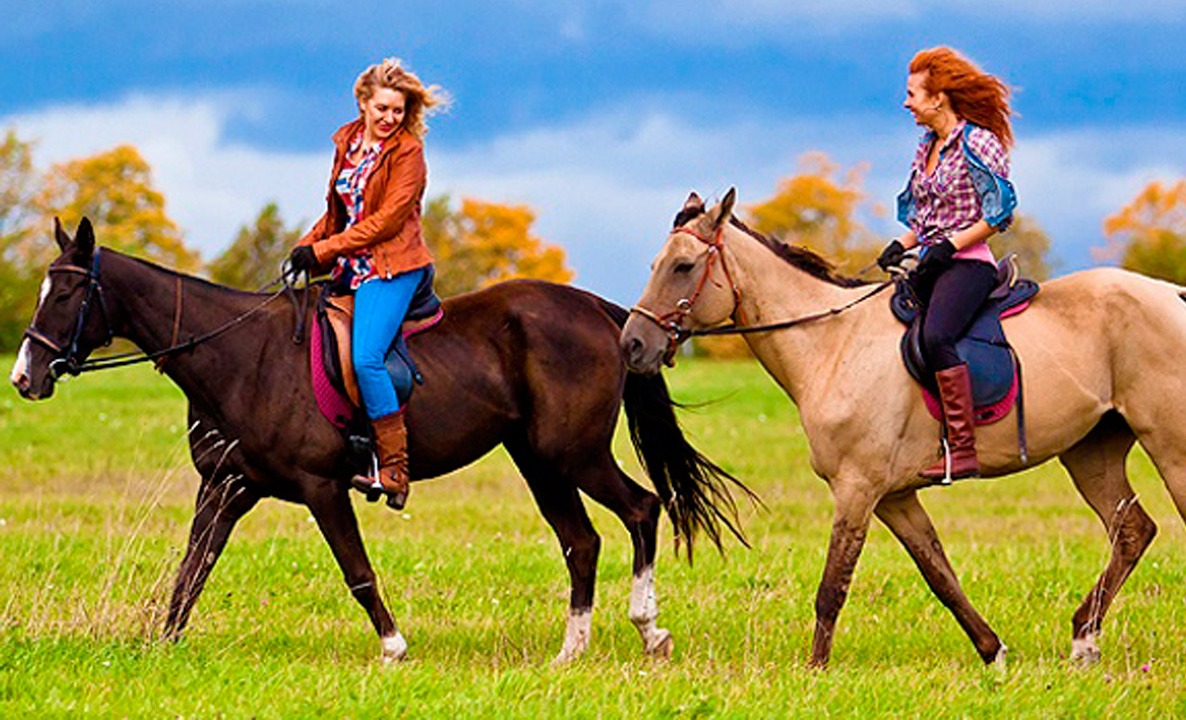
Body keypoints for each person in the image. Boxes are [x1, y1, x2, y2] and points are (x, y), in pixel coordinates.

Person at [289, 57, 447, 509]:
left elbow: (385, 222)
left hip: (393, 267)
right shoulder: (348, 141)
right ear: (363, 103)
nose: (389, 118)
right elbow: (339, 212)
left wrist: (323, 251)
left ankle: (395, 468)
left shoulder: (409, 153)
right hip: (349, 265)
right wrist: (306, 245)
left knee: (366, 358)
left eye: (397, 111)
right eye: (381, 109)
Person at [877, 46, 1017, 481]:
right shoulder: (926, 147)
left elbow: (999, 213)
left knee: (937, 336)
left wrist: (951, 245)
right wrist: (899, 244)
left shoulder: (979, 143)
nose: (906, 102)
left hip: (969, 264)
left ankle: (963, 449)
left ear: (938, 97)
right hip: (932, 262)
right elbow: (924, 219)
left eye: (912, 93)